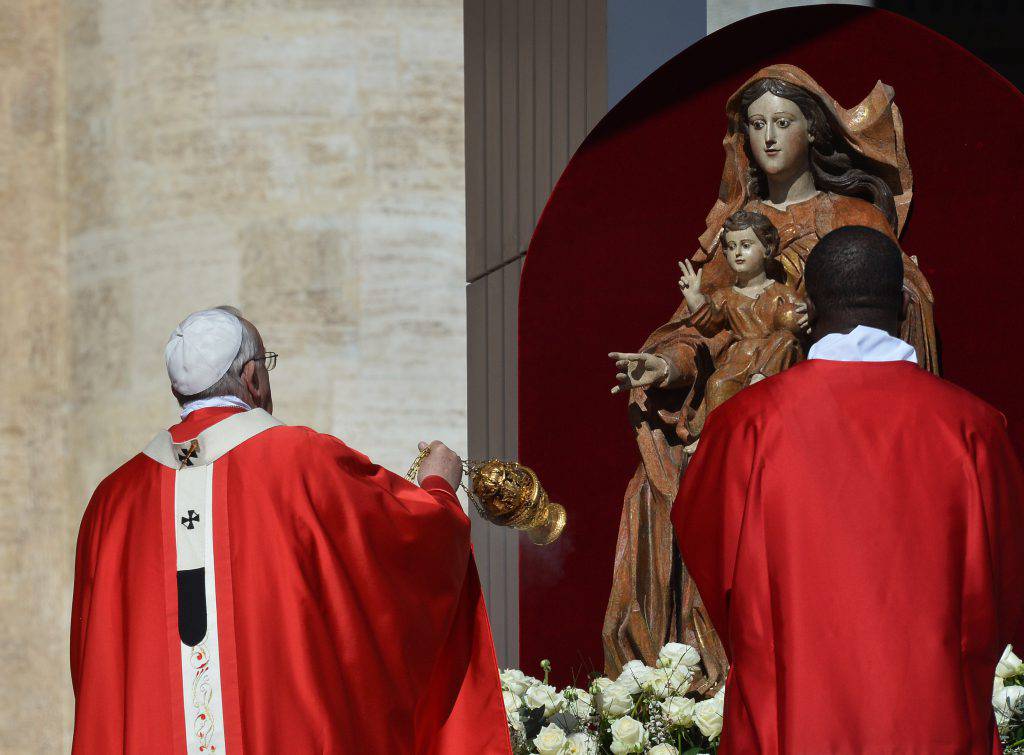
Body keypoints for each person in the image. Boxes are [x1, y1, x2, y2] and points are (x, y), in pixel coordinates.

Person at [603, 63, 937, 683]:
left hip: (835, 409)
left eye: (783, 123)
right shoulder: (734, 232)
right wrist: (665, 364)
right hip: (742, 406)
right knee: (652, 491)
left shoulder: (850, 217)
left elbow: (903, 299)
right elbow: (699, 328)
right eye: (757, 126)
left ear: (812, 132)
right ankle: (688, 679)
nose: (770, 138)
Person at [70, 306, 512, 754]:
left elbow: (92, 664)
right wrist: (437, 486)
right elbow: (407, 547)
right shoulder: (302, 461)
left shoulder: (112, 502)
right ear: (253, 377)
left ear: (176, 391)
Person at [672, 226, 1024, 753]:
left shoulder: (745, 425)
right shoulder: (973, 429)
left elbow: (710, 556)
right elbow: (1005, 583)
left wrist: (769, 648)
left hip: (791, 718)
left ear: (807, 306)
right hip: (934, 721)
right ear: (906, 305)